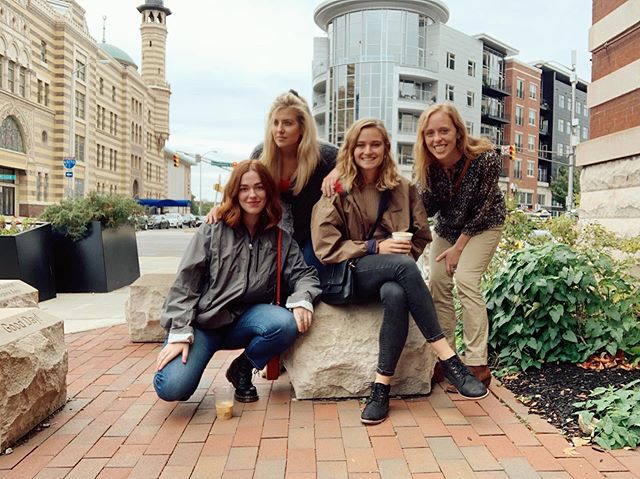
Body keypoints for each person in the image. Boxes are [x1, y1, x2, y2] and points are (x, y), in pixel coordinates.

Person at [311, 118, 488, 425]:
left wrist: (403, 254)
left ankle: (381, 388)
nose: (368, 151)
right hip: (346, 279)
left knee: (396, 293)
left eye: (375, 144)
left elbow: (421, 236)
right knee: (403, 267)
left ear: (386, 148)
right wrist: (374, 249)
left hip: (388, 277)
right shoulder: (336, 188)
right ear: (351, 150)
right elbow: (325, 247)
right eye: (361, 145)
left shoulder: (402, 188)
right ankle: (449, 359)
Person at [154, 160, 321, 404]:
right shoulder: (212, 230)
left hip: (246, 321)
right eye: (244, 188)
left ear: (268, 193)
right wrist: (179, 331)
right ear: (234, 193)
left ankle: (242, 369)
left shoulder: (279, 239)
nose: (252, 195)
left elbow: (304, 275)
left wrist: (301, 299)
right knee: (172, 387)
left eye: (259, 187)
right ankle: (178, 352)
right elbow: (185, 284)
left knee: (286, 323)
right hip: (205, 323)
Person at [413, 103, 506, 388]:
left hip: (485, 224)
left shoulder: (485, 159)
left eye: (444, 131)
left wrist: (459, 248)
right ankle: (448, 360)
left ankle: (477, 363)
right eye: (430, 133)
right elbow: (421, 209)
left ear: (457, 132)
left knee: (466, 280)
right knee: (438, 284)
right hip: (448, 228)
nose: (437, 139)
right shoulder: (429, 168)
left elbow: (482, 208)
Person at [206, 90, 339, 269]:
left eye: (287, 123)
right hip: (271, 230)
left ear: (302, 127)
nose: (279, 130)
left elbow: (353, 161)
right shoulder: (261, 153)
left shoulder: (324, 154)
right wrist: (221, 207)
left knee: (311, 271)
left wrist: (338, 171)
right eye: (275, 123)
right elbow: (241, 185)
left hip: (312, 234)